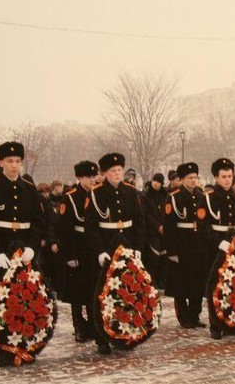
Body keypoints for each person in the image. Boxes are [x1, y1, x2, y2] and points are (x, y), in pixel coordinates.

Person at [0, 142, 45, 367]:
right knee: (1, 300)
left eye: (17, 161)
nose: (14, 166)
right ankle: (0, 347)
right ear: (1, 163)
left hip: (24, 249)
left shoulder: (29, 188)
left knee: (26, 297)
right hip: (3, 248)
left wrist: (32, 246)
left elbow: (38, 220)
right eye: (9, 161)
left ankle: (25, 344)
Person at [85, 152, 145, 354]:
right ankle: (102, 337)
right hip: (107, 247)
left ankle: (126, 332)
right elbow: (91, 226)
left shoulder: (130, 192)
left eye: (120, 170)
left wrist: (137, 247)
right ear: (105, 174)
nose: (118, 174)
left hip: (127, 245)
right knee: (103, 293)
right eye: (113, 171)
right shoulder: (96, 194)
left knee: (127, 292)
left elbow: (139, 222)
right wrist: (100, 251)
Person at [197, 158, 235, 339]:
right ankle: (216, 324)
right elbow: (203, 225)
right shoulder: (208, 199)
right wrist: (217, 242)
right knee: (216, 286)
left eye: (230, 176)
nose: (228, 180)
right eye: (224, 176)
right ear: (216, 177)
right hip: (216, 247)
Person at [57, 160, 98, 343]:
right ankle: (79, 326)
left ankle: (93, 325)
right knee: (77, 291)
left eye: (93, 176)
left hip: (93, 246)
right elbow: (64, 229)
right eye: (87, 177)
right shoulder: (71, 197)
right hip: (77, 246)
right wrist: (69, 255)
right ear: (79, 178)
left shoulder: (98, 194)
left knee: (93, 288)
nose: (91, 180)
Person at [163, 162, 207, 329]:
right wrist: (171, 250)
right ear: (181, 180)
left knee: (197, 280)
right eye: (190, 178)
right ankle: (184, 316)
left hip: (198, 243)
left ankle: (195, 314)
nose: (193, 181)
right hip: (181, 243)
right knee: (181, 282)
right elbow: (168, 226)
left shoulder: (201, 195)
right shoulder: (174, 197)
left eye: (195, 177)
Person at [142, 172, 169, 289]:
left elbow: (167, 212)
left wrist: (164, 226)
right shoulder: (145, 195)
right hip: (152, 231)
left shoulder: (165, 196)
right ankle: (151, 279)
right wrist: (157, 226)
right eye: (154, 181)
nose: (155, 184)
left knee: (164, 256)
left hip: (164, 229)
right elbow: (146, 214)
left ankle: (162, 279)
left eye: (158, 182)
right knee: (153, 256)